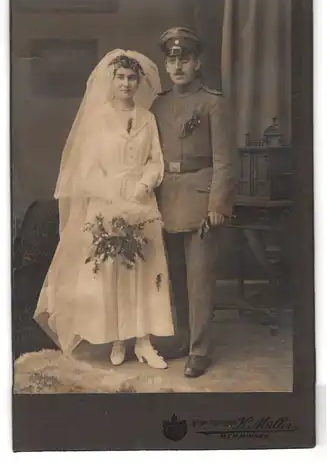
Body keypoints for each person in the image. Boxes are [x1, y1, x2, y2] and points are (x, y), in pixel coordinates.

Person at [33, 49, 174, 370]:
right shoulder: (97, 121)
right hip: (107, 202)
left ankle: (144, 341)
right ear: (110, 82)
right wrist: (113, 195)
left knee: (146, 268)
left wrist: (144, 184)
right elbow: (86, 169)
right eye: (120, 78)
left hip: (141, 200)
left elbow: (156, 159)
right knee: (113, 270)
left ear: (139, 82)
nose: (126, 84)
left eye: (131, 78)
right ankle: (118, 339)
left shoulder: (147, 119)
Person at [150, 27, 236, 378]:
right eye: (172, 59)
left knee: (199, 280)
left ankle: (200, 349)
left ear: (197, 63)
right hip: (165, 196)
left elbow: (226, 159)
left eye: (184, 59)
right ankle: (182, 338)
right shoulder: (159, 104)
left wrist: (218, 203)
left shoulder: (213, 102)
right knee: (174, 276)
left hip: (201, 198)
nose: (178, 65)